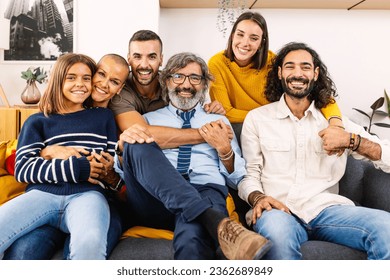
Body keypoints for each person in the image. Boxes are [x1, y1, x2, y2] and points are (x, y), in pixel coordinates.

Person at [238, 42, 390, 260]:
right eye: (290, 66)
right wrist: (257, 197)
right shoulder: (258, 119)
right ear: (280, 73)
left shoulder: (336, 123)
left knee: (386, 226)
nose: (297, 73)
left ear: (316, 73)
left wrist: (352, 140)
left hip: (327, 211)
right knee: (278, 236)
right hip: (278, 211)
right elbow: (248, 173)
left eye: (305, 67)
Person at [115, 52, 271, 260]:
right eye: (178, 76)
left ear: (204, 85)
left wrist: (225, 151)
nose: (186, 85)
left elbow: (238, 177)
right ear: (166, 81)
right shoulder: (146, 120)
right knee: (135, 140)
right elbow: (122, 172)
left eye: (195, 78)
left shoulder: (220, 121)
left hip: (205, 190)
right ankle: (213, 220)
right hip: (154, 199)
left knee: (192, 238)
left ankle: (204, 216)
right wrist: (122, 151)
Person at [3, 54, 129, 260]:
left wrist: (110, 169)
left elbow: (106, 164)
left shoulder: (104, 117)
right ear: (58, 79)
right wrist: (75, 168)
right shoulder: (37, 121)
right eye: (71, 77)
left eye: (86, 78)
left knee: (89, 242)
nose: (80, 83)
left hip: (87, 195)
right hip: (42, 195)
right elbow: (23, 169)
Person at [208, 11, 343, 143]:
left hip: (278, 126)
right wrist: (266, 117)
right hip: (248, 125)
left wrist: (336, 123)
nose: (245, 43)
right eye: (240, 35)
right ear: (232, 36)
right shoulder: (217, 63)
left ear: (261, 42)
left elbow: (320, 94)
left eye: (254, 38)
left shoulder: (272, 62)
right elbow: (227, 112)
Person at [109, 29, 225, 148]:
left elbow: (194, 100)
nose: (144, 65)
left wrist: (211, 107)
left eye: (152, 57)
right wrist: (209, 134)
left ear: (161, 59)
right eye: (137, 57)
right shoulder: (119, 89)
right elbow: (142, 135)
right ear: (129, 59)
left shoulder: (173, 81)